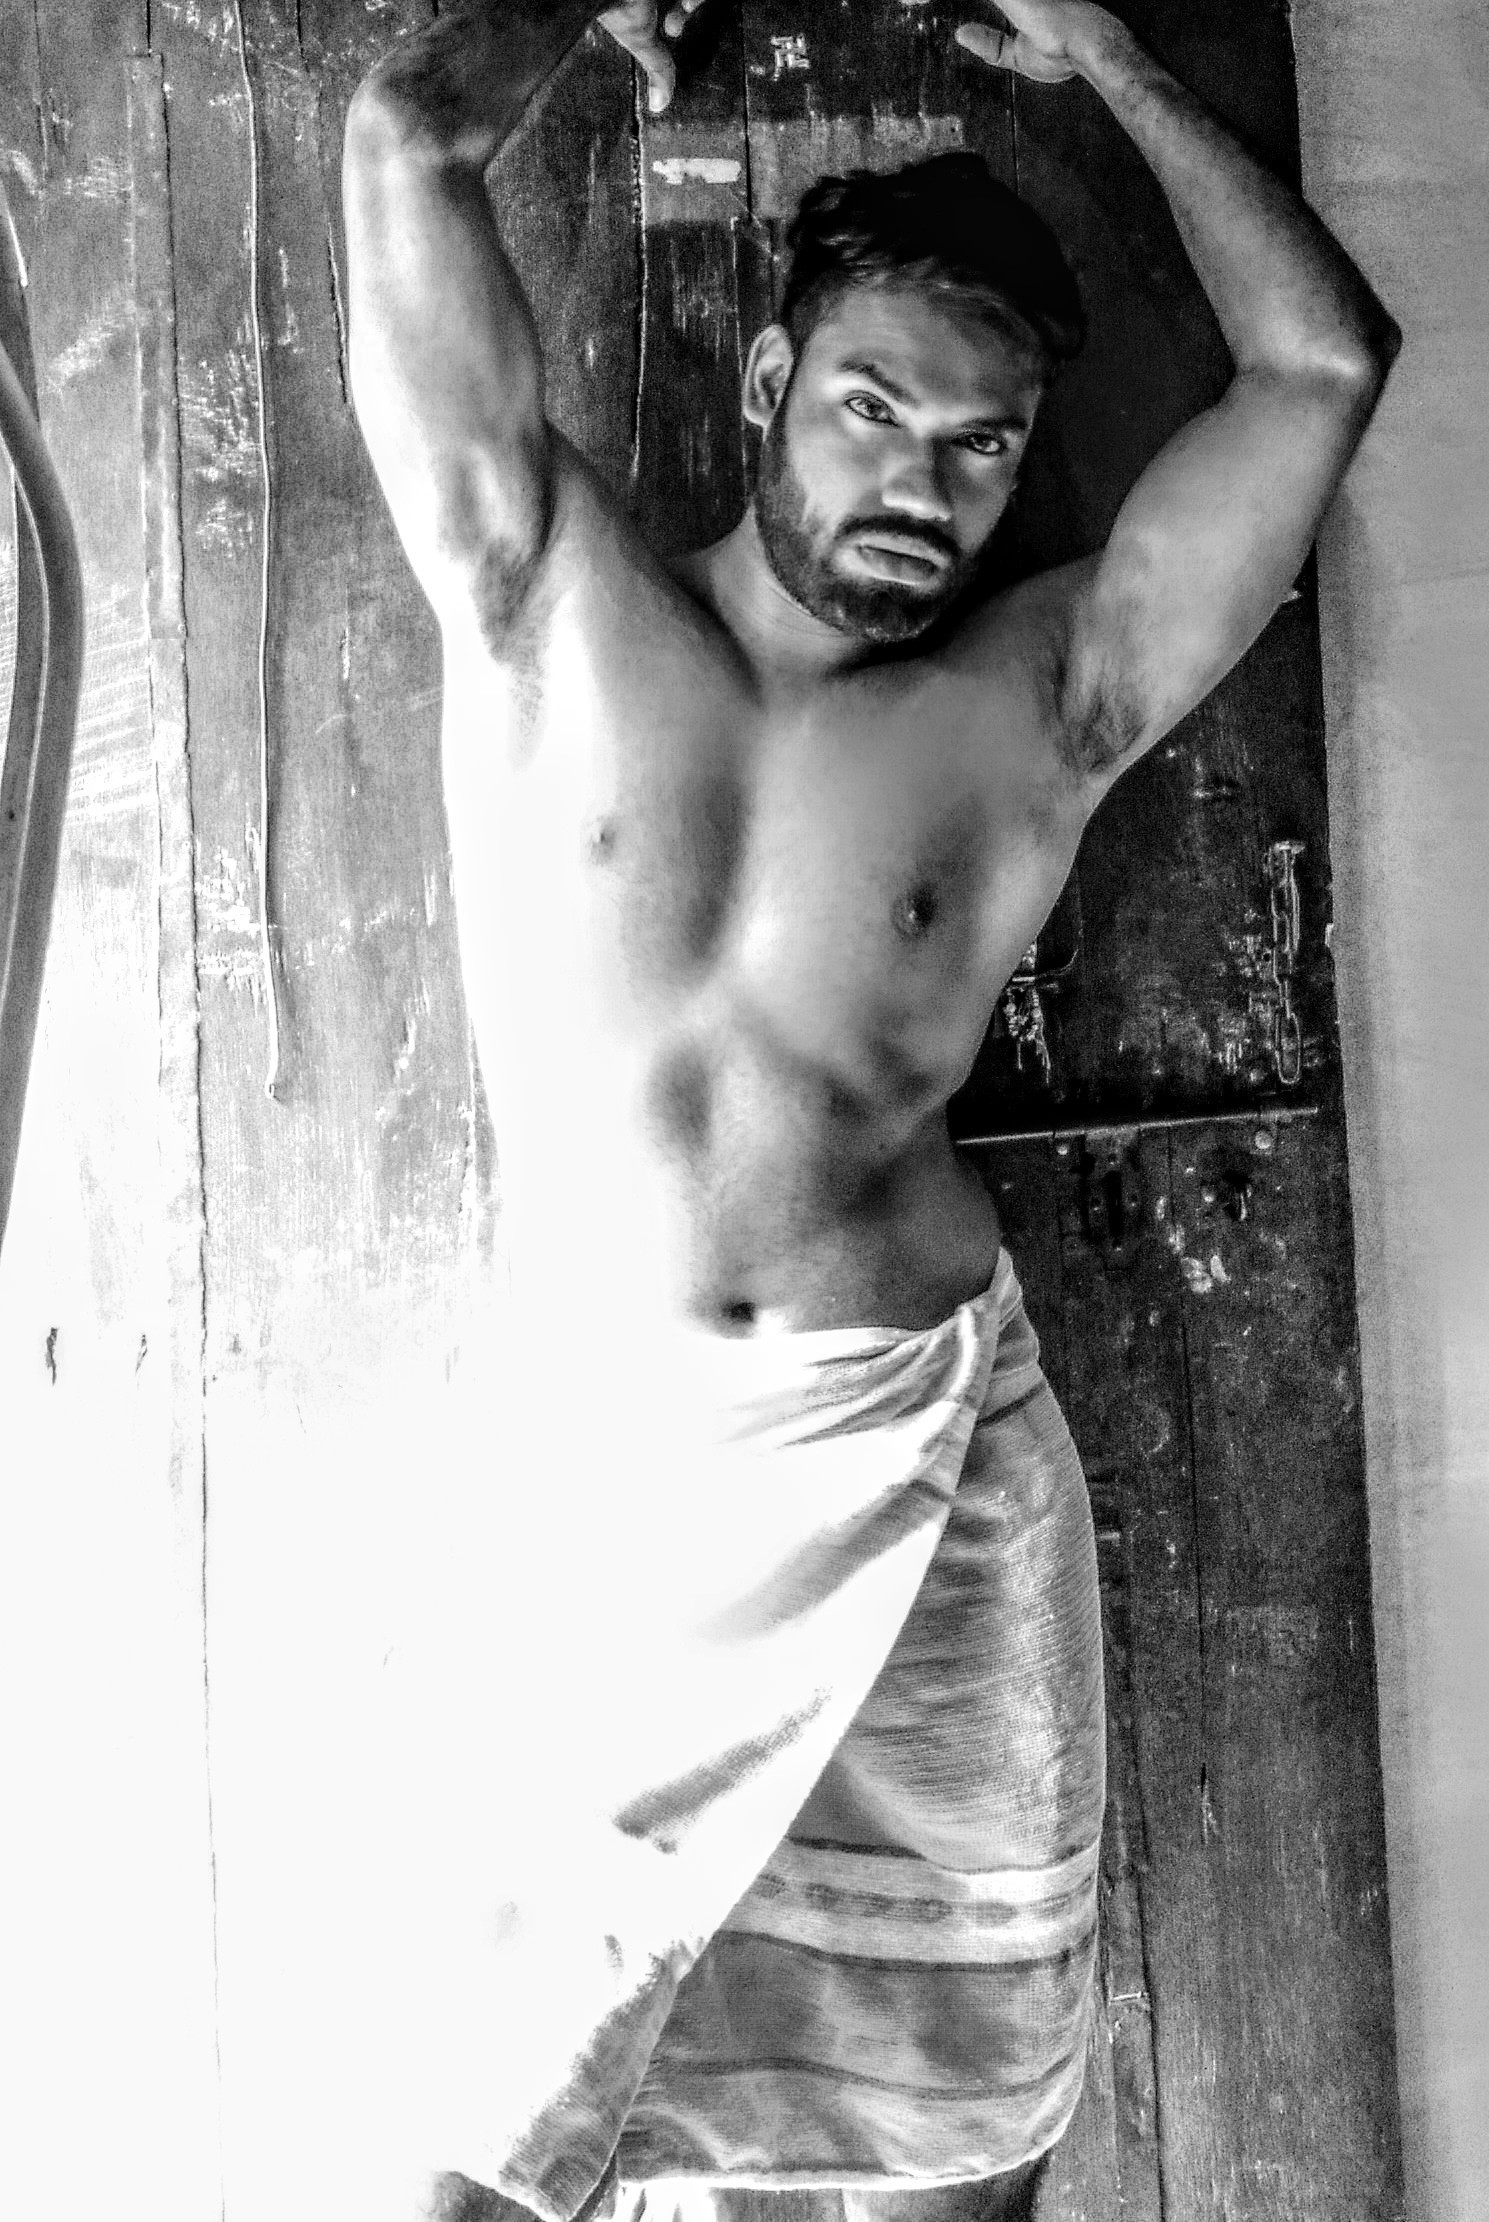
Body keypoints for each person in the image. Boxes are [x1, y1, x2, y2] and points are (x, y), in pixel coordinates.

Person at [340, 4, 1397, 2218]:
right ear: (767, 386)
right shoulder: (537, 596)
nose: (921, 483)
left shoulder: (1041, 698)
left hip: (921, 1484)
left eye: (980, 446)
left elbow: (1317, 368)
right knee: (474, 2159)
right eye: (870, 408)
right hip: (606, 1493)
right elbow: (406, 133)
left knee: (952, 2159)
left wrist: (1112, 60)